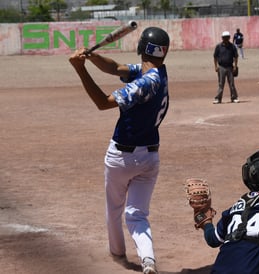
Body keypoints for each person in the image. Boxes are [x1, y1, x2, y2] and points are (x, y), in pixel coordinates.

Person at [69, 26, 171, 274]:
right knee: (137, 214)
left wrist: (80, 69)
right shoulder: (158, 73)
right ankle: (148, 260)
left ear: (141, 49)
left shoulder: (143, 84)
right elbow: (115, 69)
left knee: (114, 210)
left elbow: (103, 103)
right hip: (150, 158)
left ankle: (117, 255)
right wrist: (92, 57)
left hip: (121, 158)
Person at [213, 31, 239, 104]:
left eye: (227, 37)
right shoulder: (218, 46)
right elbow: (215, 57)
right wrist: (215, 66)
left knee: (231, 83)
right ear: (222, 38)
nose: (226, 39)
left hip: (230, 67)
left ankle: (234, 97)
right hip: (221, 67)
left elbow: (236, 56)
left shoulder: (232, 46)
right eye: (224, 38)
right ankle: (218, 98)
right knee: (221, 83)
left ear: (229, 38)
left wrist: (235, 66)